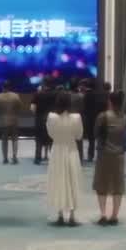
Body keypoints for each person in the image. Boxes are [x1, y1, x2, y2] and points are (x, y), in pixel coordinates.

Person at [45, 91, 85, 226]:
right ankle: (72, 216)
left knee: (58, 180)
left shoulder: (51, 117)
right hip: (71, 150)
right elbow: (79, 135)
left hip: (57, 150)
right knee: (72, 180)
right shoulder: (76, 117)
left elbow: (50, 134)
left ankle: (60, 214)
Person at [94, 90, 126, 226]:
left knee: (102, 185)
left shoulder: (102, 116)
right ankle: (114, 216)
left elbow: (96, 133)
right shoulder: (124, 117)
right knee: (118, 186)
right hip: (119, 155)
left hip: (104, 155)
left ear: (110, 101)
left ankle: (103, 214)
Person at [0, 83, 23, 164]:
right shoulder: (15, 96)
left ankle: (5, 158)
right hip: (14, 120)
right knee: (15, 139)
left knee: (4, 140)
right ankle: (14, 157)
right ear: (9, 87)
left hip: (3, 121)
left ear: (2, 87)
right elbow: (20, 107)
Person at [33, 79, 57, 165]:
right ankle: (53, 159)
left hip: (40, 119)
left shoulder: (38, 94)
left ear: (44, 84)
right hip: (52, 119)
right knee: (52, 139)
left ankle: (37, 158)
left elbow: (33, 108)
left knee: (39, 139)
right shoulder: (55, 94)